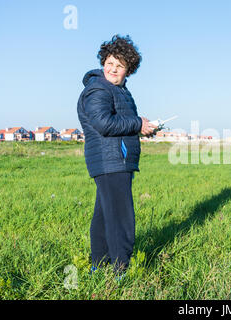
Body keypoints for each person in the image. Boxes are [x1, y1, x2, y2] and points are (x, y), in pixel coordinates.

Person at [77, 34, 157, 275]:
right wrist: (137, 123)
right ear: (103, 61)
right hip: (110, 161)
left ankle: (98, 266)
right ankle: (121, 271)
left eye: (120, 65)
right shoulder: (98, 89)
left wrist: (143, 128)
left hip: (114, 160)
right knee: (121, 220)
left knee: (104, 217)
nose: (113, 69)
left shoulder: (120, 90)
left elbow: (121, 123)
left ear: (128, 70)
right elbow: (104, 123)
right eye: (110, 63)